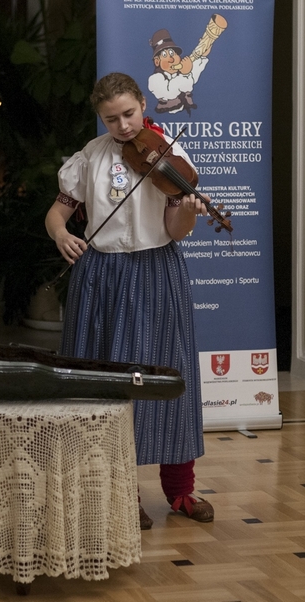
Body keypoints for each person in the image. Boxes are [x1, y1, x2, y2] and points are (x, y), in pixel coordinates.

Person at [44, 72, 213, 529]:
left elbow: (176, 231)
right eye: (111, 119)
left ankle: (180, 491)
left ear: (142, 104)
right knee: (109, 383)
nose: (122, 126)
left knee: (168, 376)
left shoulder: (170, 156)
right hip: (102, 275)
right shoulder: (90, 157)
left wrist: (185, 209)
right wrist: (61, 234)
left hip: (157, 271)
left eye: (129, 114)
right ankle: (122, 493)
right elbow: (58, 212)